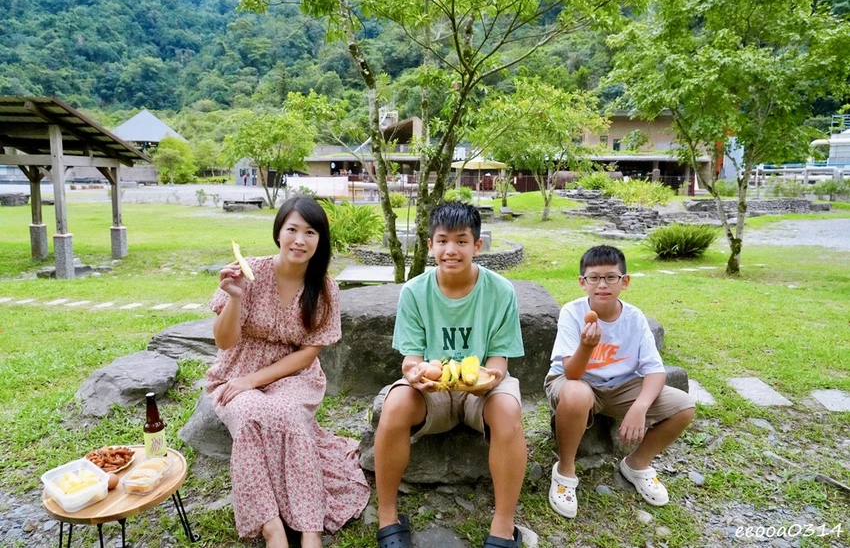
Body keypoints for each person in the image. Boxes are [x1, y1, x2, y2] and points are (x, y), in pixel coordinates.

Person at [206, 196, 369, 548]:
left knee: (289, 417)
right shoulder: (249, 272)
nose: (299, 239)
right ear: (278, 232)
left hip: (295, 375)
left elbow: (310, 352)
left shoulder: (325, 289)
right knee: (250, 416)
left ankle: (310, 529)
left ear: (320, 240)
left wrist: (256, 380)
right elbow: (224, 341)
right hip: (236, 369)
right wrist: (234, 298)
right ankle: (271, 528)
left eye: (310, 232)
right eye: (292, 229)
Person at [374, 201, 526, 548]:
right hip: (434, 390)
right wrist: (414, 374)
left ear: (478, 246)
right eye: (442, 240)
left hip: (483, 389)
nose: (451, 250)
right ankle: (387, 516)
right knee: (395, 404)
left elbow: (499, 360)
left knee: (507, 411)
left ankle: (503, 525)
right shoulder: (414, 291)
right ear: (430, 245)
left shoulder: (501, 291)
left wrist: (489, 379)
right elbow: (412, 359)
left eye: (461, 241)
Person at [545, 245, 695, 518]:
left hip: (622, 386)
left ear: (624, 282)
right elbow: (572, 373)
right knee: (577, 393)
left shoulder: (635, 318)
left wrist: (639, 407)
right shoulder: (572, 312)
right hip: (575, 381)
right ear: (582, 282)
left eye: (611, 277)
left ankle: (637, 464)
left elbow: (655, 370)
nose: (602, 285)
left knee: (683, 406)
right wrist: (587, 347)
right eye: (594, 278)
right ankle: (565, 470)